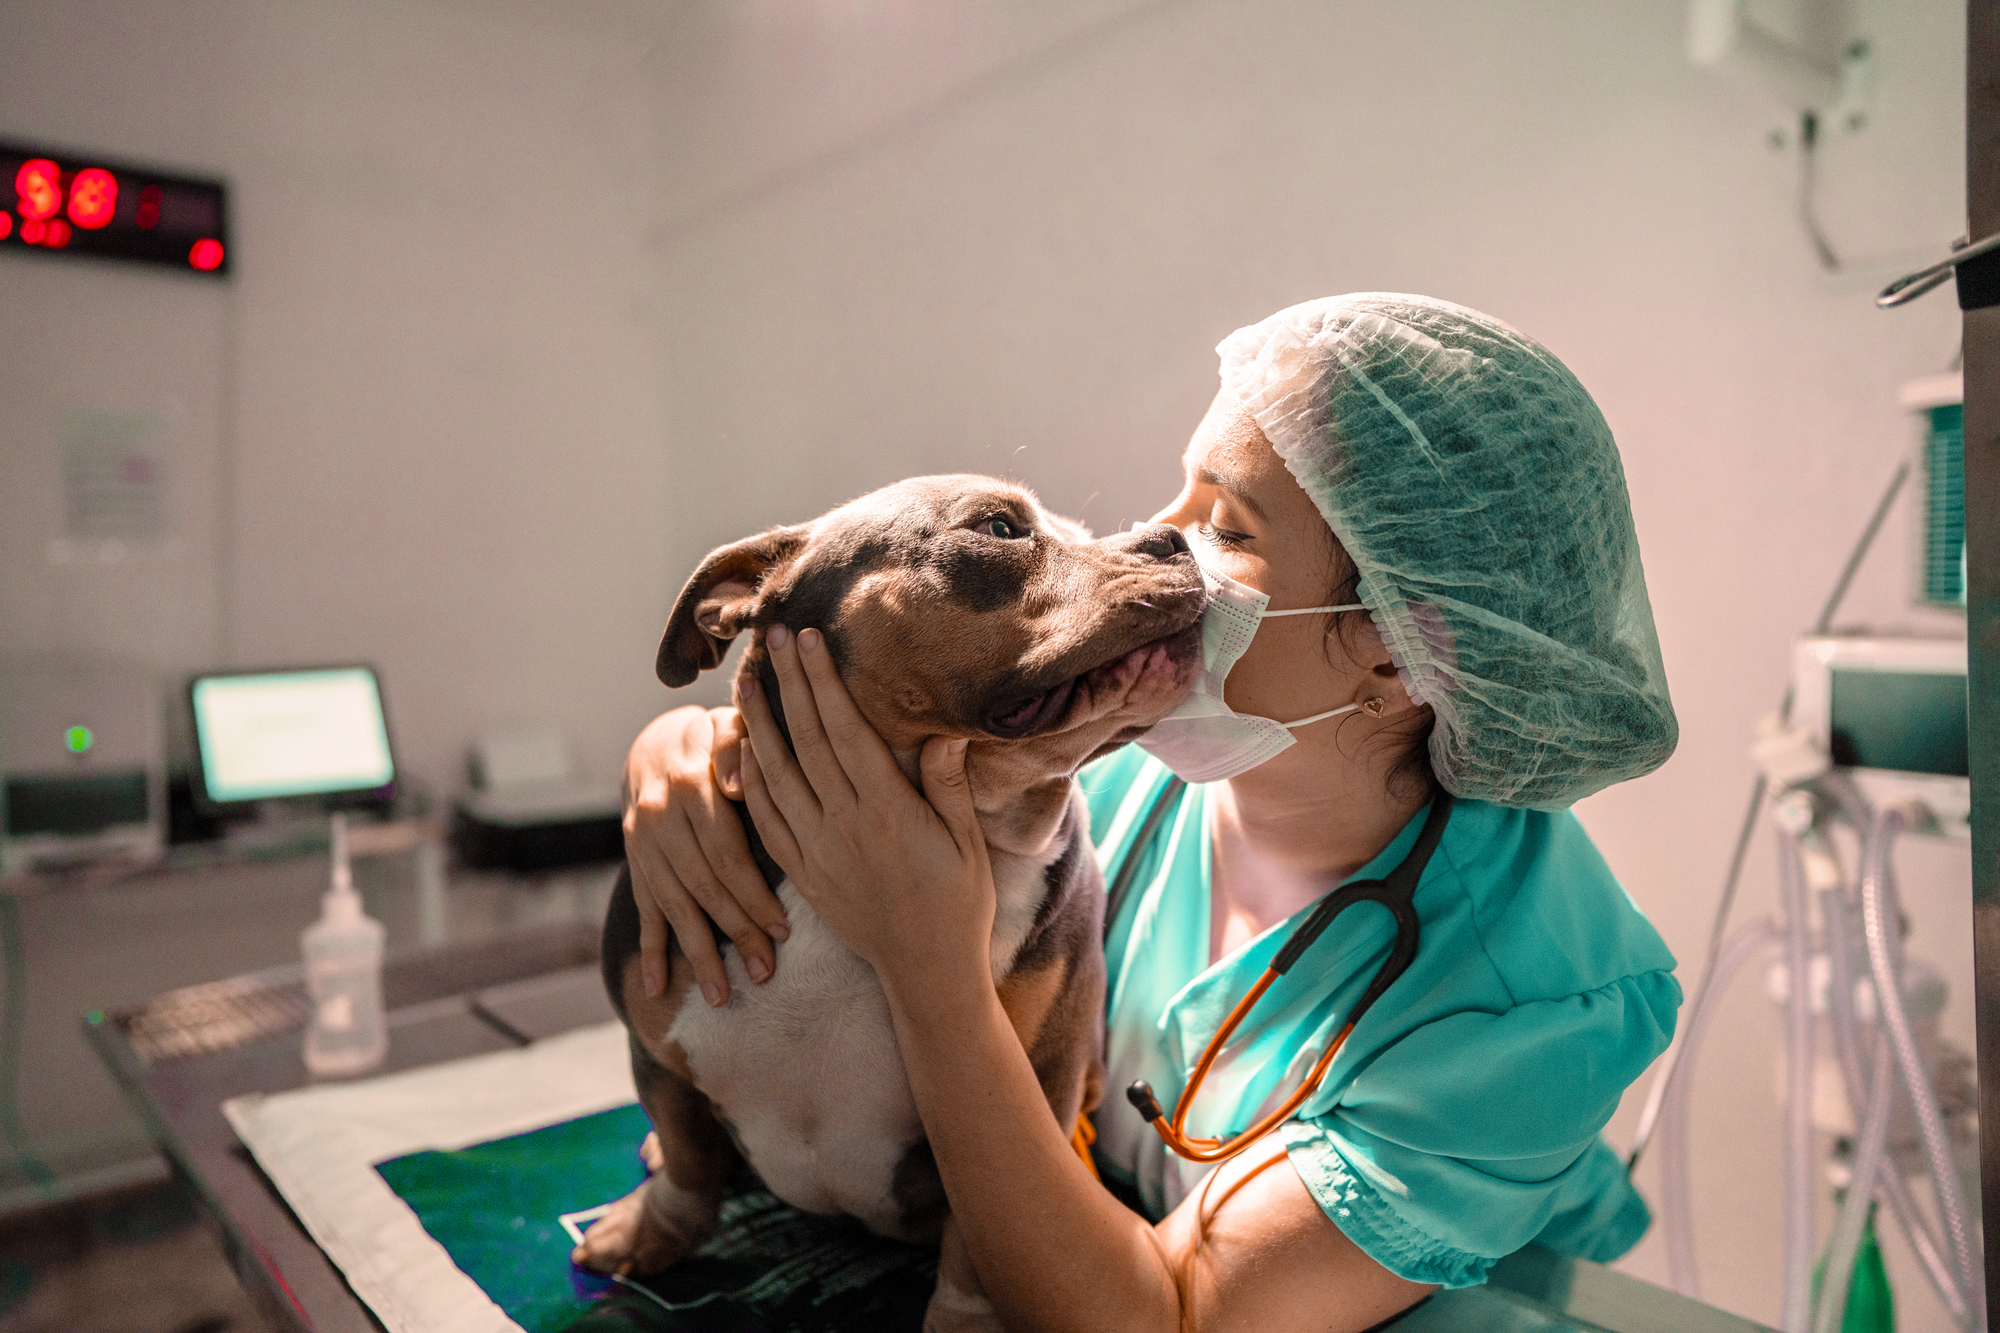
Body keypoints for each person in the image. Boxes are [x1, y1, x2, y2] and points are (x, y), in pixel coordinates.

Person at [619, 294, 1683, 1331]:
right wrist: (684, 759)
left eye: (1226, 526)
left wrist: (928, 964)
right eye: (1177, 497)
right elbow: (892, 726)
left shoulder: (1532, 1012)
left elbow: (1167, 1315)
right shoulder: (1113, 781)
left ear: (1404, 654)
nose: (1152, 544)